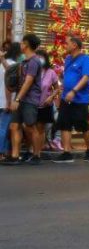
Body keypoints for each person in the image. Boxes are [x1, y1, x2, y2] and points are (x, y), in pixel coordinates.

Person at [54, 36, 89, 163]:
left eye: (67, 43)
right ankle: (67, 153)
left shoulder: (86, 59)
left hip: (80, 98)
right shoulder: (67, 59)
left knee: (82, 125)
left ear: (74, 45)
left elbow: (86, 77)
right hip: (66, 98)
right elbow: (65, 75)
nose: (65, 46)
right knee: (64, 123)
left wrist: (74, 90)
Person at [5, 34, 44, 165]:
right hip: (20, 98)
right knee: (14, 126)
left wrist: (17, 99)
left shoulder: (34, 62)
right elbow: (13, 75)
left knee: (30, 127)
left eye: (22, 43)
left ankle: (37, 155)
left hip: (29, 99)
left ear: (26, 45)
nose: (20, 45)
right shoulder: (24, 61)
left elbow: (28, 82)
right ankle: (15, 156)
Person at [34, 49, 60, 153]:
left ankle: (37, 152)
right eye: (37, 57)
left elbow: (57, 88)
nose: (39, 59)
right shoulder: (33, 71)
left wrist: (51, 97)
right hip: (32, 104)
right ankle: (33, 149)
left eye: (41, 57)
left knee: (40, 129)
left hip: (44, 105)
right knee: (31, 128)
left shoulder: (51, 72)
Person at [0, 43, 17, 161]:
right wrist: (9, 102)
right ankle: (1, 152)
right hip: (7, 101)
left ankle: (5, 152)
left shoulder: (2, 65)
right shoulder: (14, 65)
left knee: (4, 128)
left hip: (2, 100)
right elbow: (9, 85)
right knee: (4, 128)